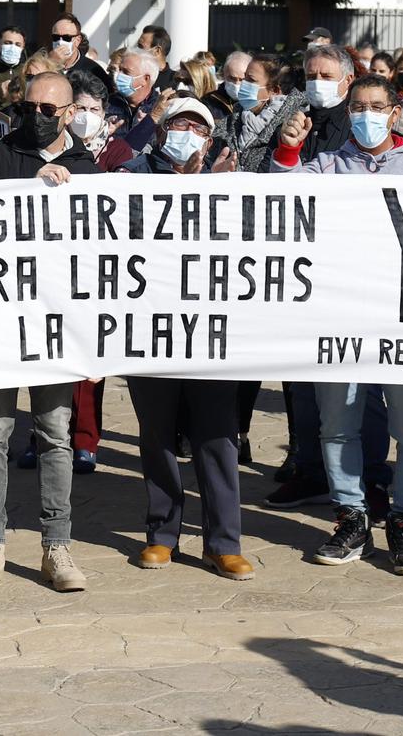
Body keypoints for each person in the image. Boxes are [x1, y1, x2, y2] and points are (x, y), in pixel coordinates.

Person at [272, 74, 403, 576]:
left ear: (394, 112)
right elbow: (278, 203)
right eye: (358, 107)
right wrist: (287, 152)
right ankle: (351, 517)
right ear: (349, 114)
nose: (367, 114)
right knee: (338, 426)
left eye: (377, 106)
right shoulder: (325, 165)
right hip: (340, 317)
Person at [0, 72, 93, 596]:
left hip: (55, 325)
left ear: (67, 113)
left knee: (55, 434)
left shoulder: (84, 166)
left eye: (47, 110)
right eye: (29, 106)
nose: (36, 117)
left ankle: (56, 544)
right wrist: (30, 189)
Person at [117, 99, 253, 580]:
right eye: (179, 124)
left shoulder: (230, 185)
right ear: (161, 132)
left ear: (210, 139)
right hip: (149, 327)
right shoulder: (130, 174)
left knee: (217, 436)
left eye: (198, 126)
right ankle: (162, 534)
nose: (188, 132)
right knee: (156, 435)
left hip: (210, 329)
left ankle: (224, 542)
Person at [111, 47, 163, 155]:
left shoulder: (161, 109)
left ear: (146, 79)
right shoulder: (106, 103)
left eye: (126, 72)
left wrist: (149, 126)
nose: (118, 75)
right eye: (119, 69)